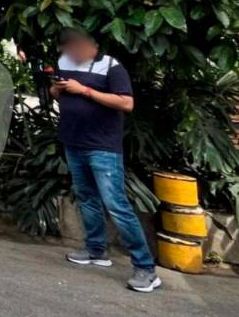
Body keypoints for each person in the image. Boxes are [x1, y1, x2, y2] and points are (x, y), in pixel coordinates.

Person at [50, 28, 159, 293]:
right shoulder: (64, 65)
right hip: (74, 143)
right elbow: (57, 95)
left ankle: (146, 268)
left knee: (116, 204)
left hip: (103, 148)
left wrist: (84, 91)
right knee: (86, 198)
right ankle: (96, 250)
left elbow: (126, 103)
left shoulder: (112, 66)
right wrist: (57, 89)